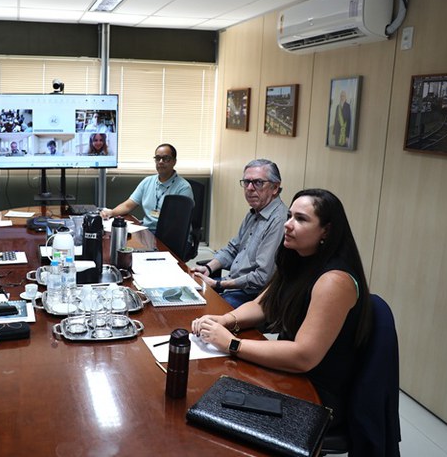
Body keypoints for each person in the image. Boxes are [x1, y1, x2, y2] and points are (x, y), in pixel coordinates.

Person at [191, 188, 373, 430]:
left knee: (211, 408)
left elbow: (303, 356)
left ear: (326, 231)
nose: (287, 224)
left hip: (314, 392)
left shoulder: (335, 281)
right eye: (289, 216)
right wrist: (224, 320)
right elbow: (262, 305)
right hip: (288, 374)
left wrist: (232, 344)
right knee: (204, 390)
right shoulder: (298, 258)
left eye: (301, 219)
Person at [190, 159, 287, 308]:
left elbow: (262, 277)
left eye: (258, 182)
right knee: (187, 295)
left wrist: (218, 284)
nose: (249, 188)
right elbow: (232, 249)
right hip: (234, 285)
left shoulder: (279, 221)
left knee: (202, 312)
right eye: (247, 182)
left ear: (275, 187)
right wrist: (208, 268)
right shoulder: (254, 213)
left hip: (253, 295)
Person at [100, 143, 193, 232]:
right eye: (158, 158)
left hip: (170, 234)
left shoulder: (183, 188)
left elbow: (180, 222)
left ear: (174, 161)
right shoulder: (148, 181)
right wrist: (111, 213)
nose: (161, 162)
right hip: (148, 230)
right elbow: (128, 205)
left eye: (166, 158)